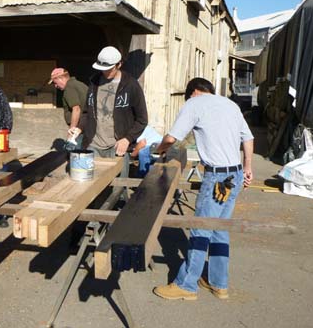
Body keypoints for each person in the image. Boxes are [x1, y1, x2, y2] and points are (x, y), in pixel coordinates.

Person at [153, 77, 253, 301]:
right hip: (234, 173)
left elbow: (171, 138)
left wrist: (158, 150)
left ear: (192, 93)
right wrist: (248, 167)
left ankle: (186, 285)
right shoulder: (230, 104)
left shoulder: (193, 104)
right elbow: (248, 137)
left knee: (201, 229)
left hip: (217, 177)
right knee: (219, 229)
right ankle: (219, 283)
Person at [73, 46, 148, 178]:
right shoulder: (94, 83)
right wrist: (79, 128)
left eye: (109, 69)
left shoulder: (131, 85)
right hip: (93, 145)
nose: (105, 72)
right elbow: (86, 112)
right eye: (102, 69)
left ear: (119, 64)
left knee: (118, 190)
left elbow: (142, 120)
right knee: (92, 187)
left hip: (117, 147)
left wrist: (127, 139)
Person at [48, 68, 87, 149]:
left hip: (79, 130)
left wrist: (71, 133)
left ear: (61, 78)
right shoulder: (79, 84)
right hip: (86, 127)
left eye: (55, 83)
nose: (56, 86)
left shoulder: (69, 87)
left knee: (73, 154)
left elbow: (76, 109)